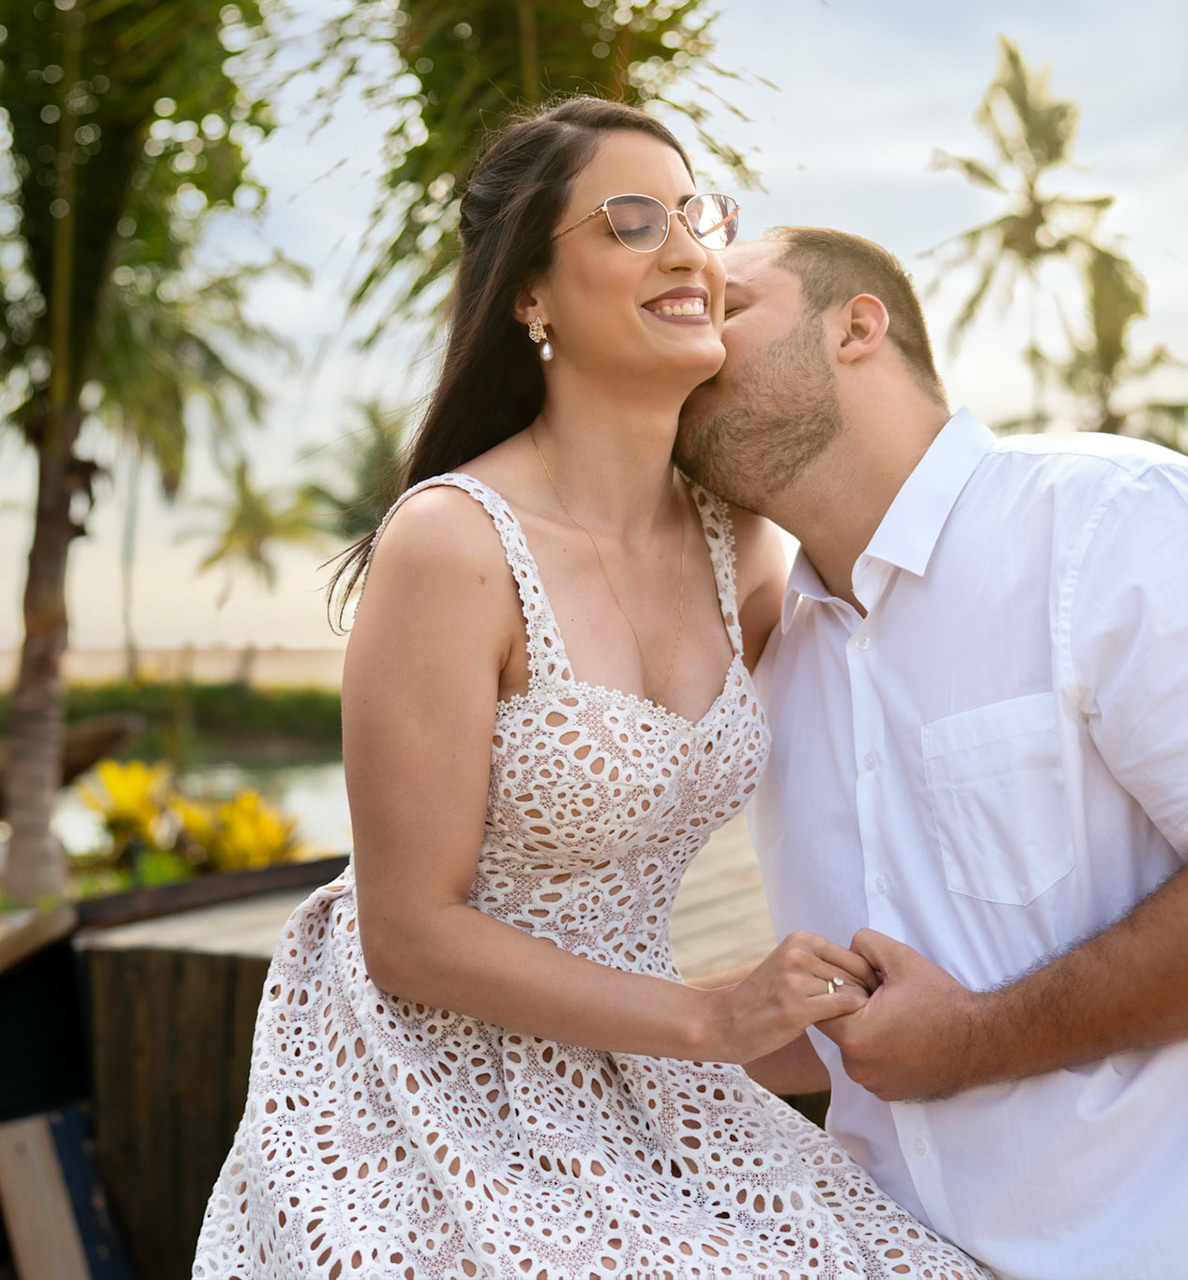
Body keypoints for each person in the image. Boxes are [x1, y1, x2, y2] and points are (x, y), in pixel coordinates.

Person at [193, 102, 984, 1280]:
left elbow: (882, 717)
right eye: (629, 221)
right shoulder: (454, 543)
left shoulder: (741, 542)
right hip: (428, 1072)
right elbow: (408, 931)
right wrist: (714, 1018)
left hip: (638, 1061)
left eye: (695, 216)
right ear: (531, 297)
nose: (687, 251)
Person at [674, 226, 1188, 1279]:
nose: (689, 341)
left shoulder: (1113, 519)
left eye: (729, 304)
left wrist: (974, 1036)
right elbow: (879, 1030)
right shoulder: (777, 661)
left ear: (857, 326)